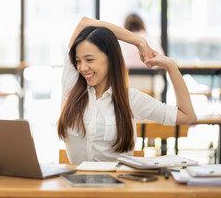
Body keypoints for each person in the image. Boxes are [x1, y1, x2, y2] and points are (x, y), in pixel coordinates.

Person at [57, 17, 197, 164]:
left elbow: (187, 116)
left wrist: (171, 67)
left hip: (119, 185)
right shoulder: (71, 87)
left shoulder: (130, 98)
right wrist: (138, 41)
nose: (82, 68)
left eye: (89, 60)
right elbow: (84, 23)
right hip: (75, 185)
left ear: (110, 58)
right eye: (78, 61)